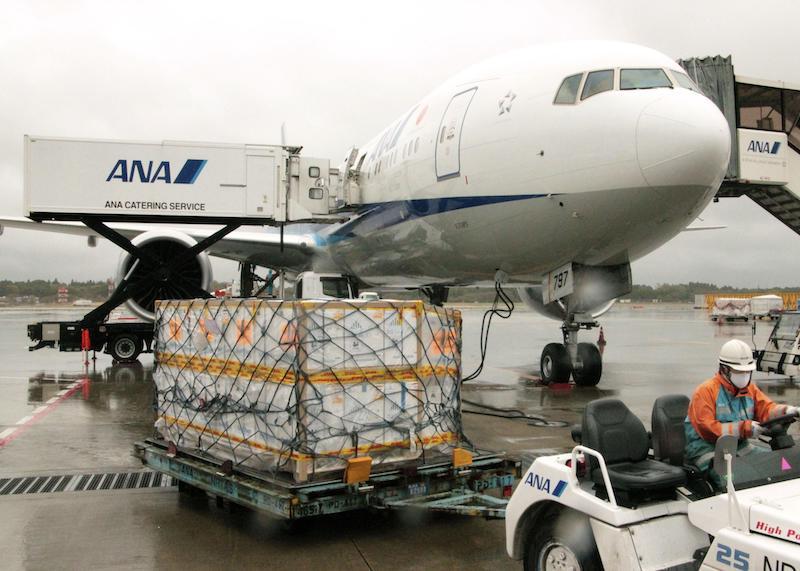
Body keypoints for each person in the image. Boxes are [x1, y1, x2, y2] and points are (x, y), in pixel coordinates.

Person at [685, 339, 799, 487]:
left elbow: (766, 409)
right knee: (731, 478)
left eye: (748, 371)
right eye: (740, 371)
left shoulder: (750, 389)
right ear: (725, 369)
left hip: (741, 446)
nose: (745, 375)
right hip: (706, 449)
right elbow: (708, 430)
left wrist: (788, 411)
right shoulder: (705, 391)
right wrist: (746, 428)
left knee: (775, 464)